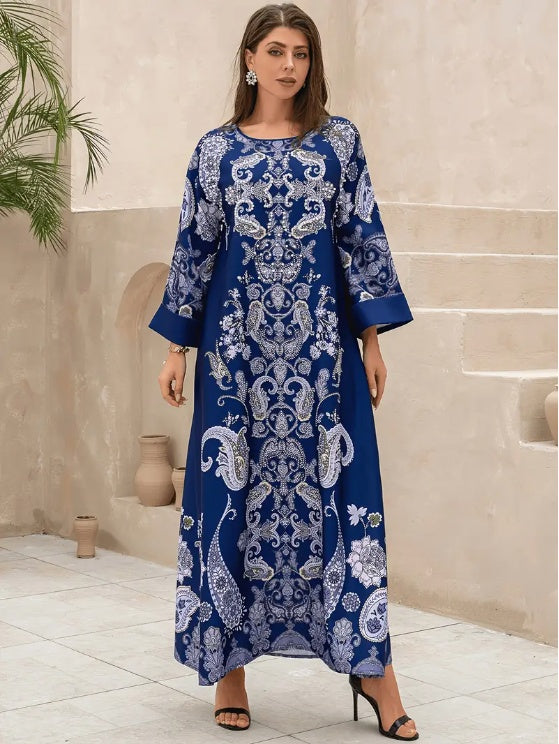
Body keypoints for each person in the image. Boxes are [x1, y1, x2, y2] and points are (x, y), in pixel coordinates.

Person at [148, 3, 419, 740]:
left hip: (321, 356)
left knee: (344, 495)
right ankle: (229, 671)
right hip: (236, 359)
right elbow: (194, 247)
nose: (289, 65)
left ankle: (373, 670)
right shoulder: (214, 151)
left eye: (300, 52)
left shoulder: (338, 143)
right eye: (275, 50)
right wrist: (176, 349)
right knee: (229, 496)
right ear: (249, 59)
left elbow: (361, 241)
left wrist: (371, 341)